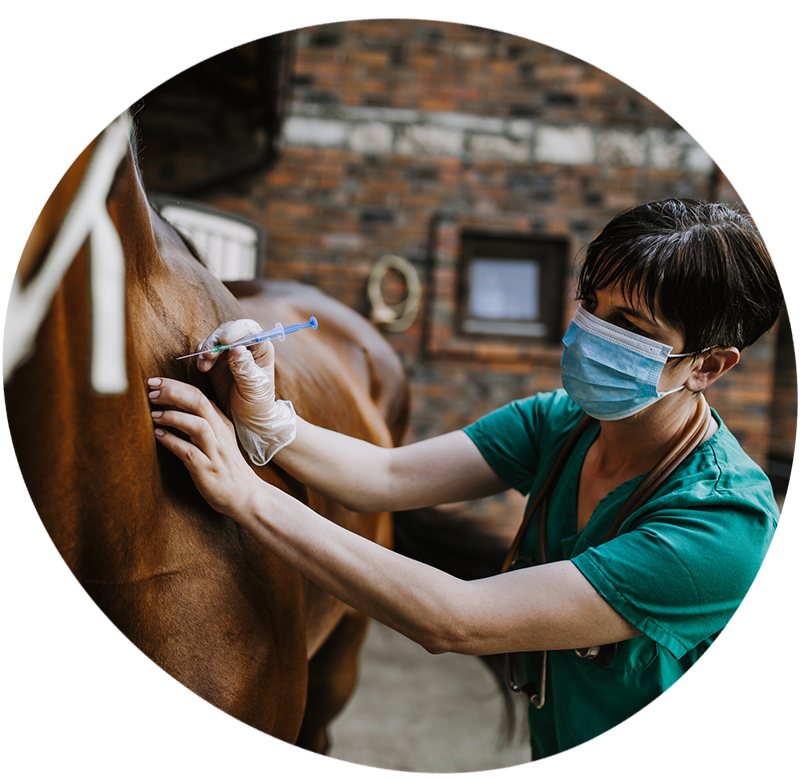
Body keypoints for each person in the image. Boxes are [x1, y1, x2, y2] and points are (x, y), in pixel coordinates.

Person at [149, 198, 788, 774]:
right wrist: (269, 418)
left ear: (707, 365)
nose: (592, 333)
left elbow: (456, 619)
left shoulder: (722, 526)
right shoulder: (563, 424)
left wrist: (250, 495)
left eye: (630, 325)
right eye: (592, 306)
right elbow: (388, 475)